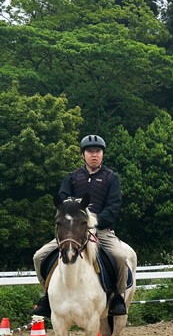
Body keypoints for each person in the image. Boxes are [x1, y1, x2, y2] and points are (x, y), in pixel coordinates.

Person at [33, 135, 130, 317]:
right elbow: (62, 201)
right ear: (83, 154)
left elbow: (113, 206)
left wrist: (94, 221)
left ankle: (117, 297)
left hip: (101, 230)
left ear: (102, 154)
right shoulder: (71, 177)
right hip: (73, 230)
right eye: (90, 151)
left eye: (98, 151)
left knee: (120, 257)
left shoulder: (111, 178)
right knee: (38, 256)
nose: (94, 155)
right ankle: (47, 296)